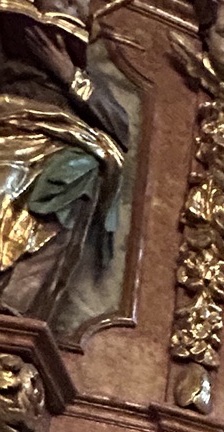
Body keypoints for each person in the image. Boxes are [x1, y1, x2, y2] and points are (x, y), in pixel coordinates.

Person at [0, 0, 129, 322]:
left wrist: (68, 74)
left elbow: (121, 126)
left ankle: (16, 302)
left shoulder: (87, 76)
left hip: (62, 144)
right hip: (7, 127)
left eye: (76, 4)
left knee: (79, 175)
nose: (68, 7)